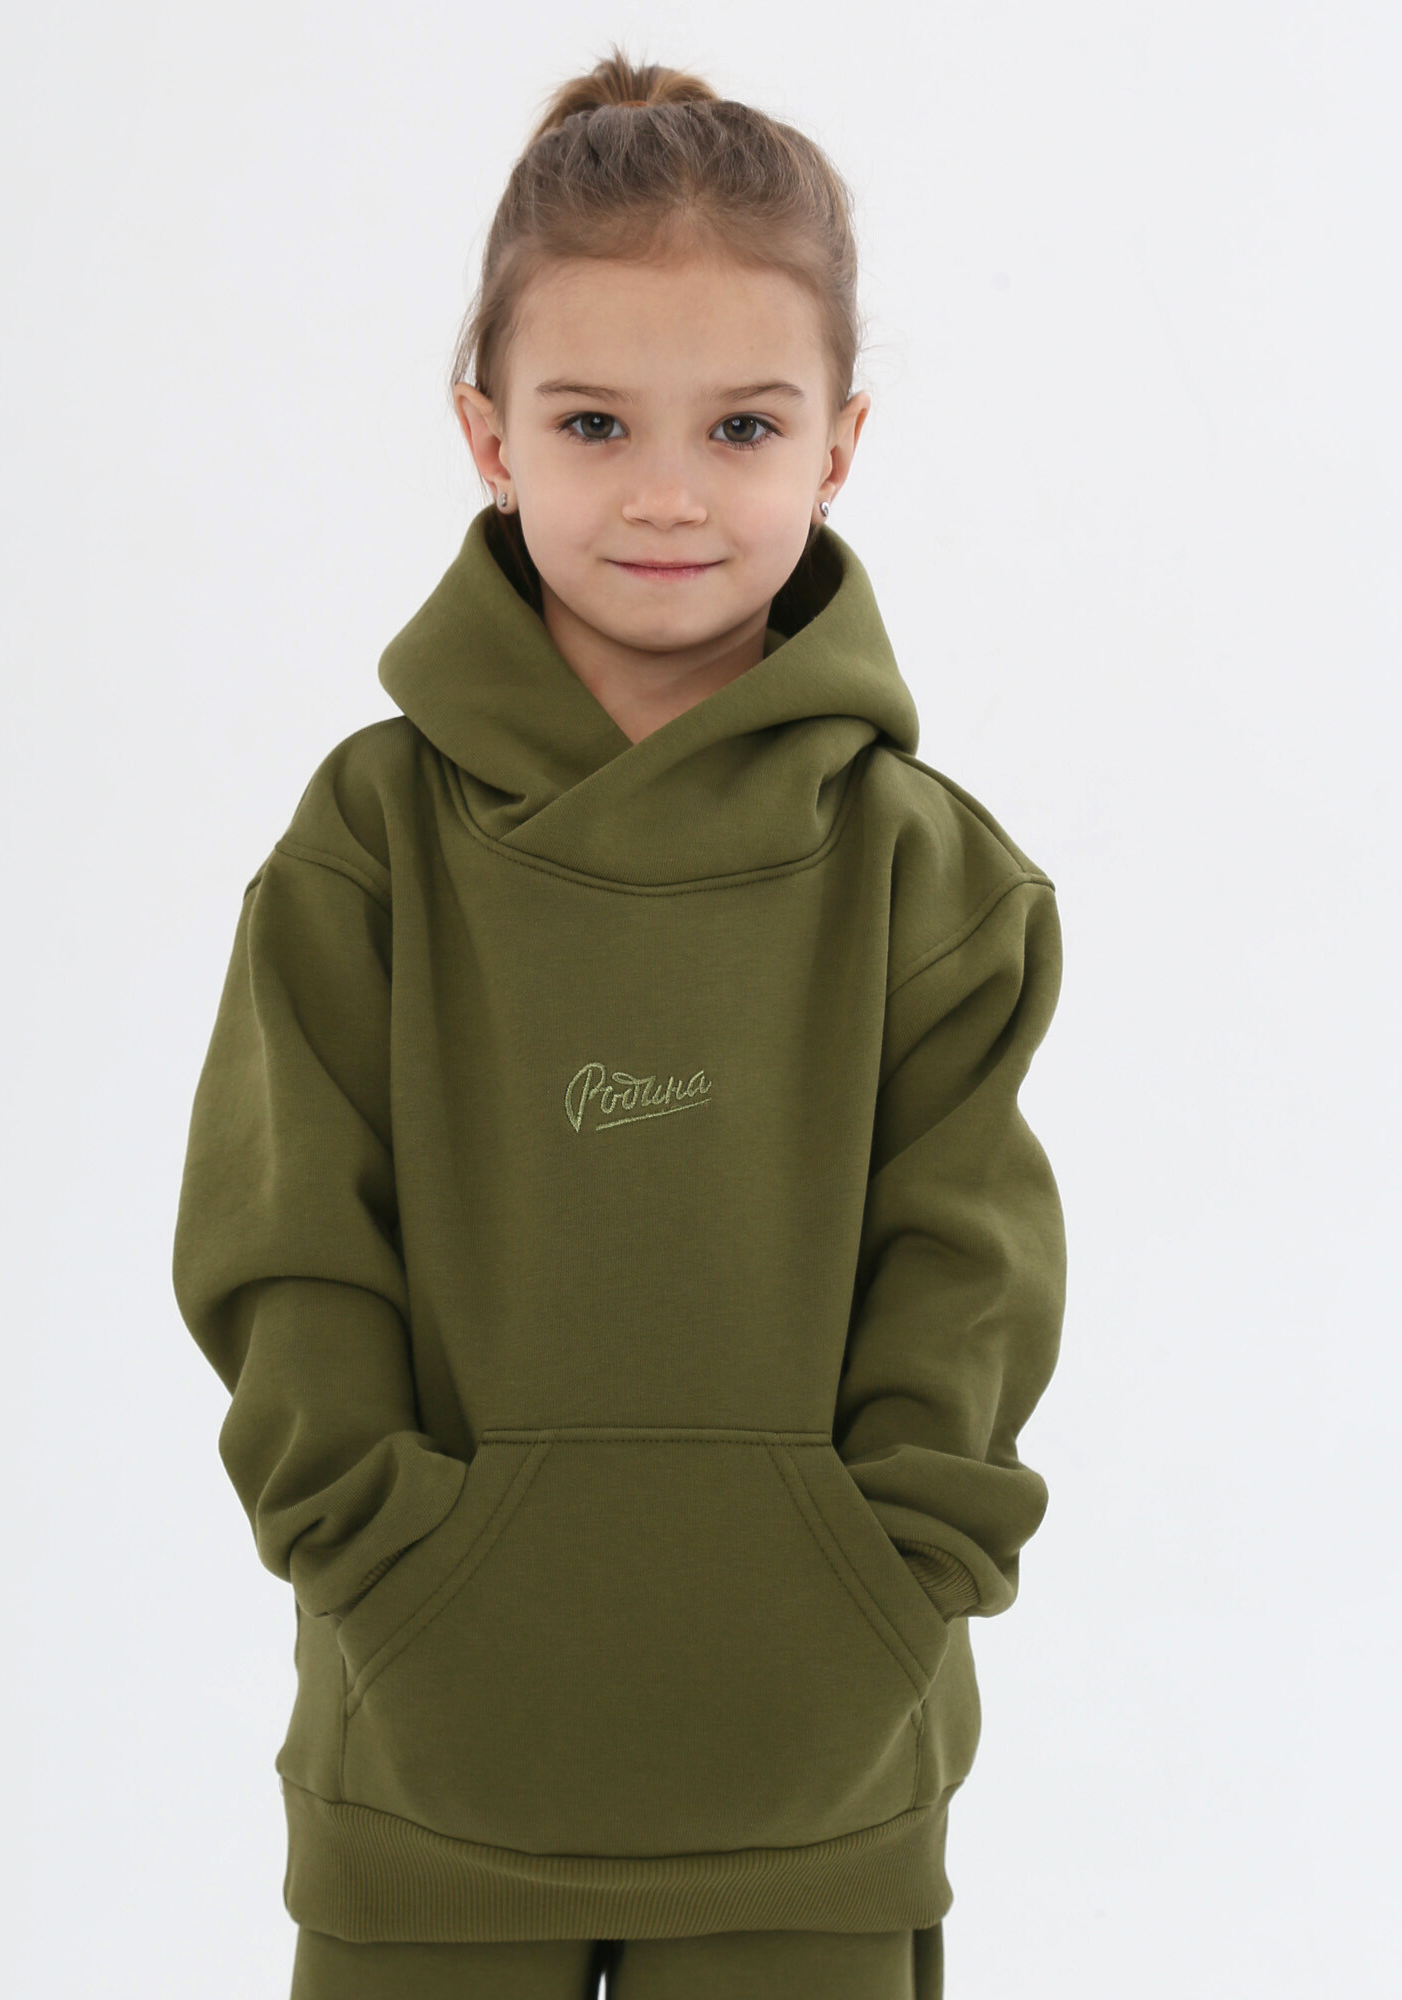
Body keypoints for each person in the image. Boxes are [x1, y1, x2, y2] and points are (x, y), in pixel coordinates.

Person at [171, 45, 1068, 2000]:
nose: (668, 492)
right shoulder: (366, 843)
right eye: (594, 421)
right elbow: (287, 1248)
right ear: (488, 433)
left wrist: (883, 1586)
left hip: (816, 1786)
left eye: (742, 424)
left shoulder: (933, 876)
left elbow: (969, 1285)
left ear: (841, 443)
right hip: (425, 1779)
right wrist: (390, 1564)